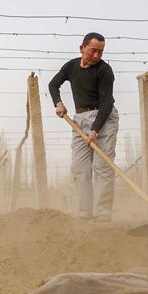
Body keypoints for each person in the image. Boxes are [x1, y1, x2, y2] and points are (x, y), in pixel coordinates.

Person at [48, 32, 119, 222]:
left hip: (104, 118)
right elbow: (53, 85)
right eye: (93, 50)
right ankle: (84, 213)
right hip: (80, 119)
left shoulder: (105, 71)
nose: (96, 56)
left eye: (101, 52)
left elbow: (105, 104)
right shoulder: (71, 66)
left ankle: (102, 214)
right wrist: (58, 103)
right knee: (79, 168)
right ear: (82, 48)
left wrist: (95, 130)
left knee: (102, 166)